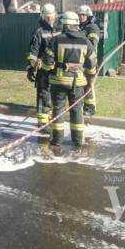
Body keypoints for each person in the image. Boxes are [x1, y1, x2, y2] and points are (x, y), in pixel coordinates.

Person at [44, 11, 97, 147]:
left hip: (59, 81)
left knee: (58, 109)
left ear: (65, 24)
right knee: (77, 110)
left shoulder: (56, 40)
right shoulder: (86, 41)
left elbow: (48, 63)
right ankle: (78, 141)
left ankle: (57, 140)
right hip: (78, 82)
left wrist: (48, 69)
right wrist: (90, 76)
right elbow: (92, 64)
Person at [26, 3, 58, 131]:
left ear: (55, 16)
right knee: (43, 95)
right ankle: (43, 124)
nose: (50, 19)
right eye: (47, 17)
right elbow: (33, 53)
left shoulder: (60, 29)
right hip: (43, 71)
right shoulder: (39, 32)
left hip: (57, 70)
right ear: (43, 17)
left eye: (51, 16)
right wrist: (31, 67)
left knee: (55, 96)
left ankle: (52, 120)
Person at [77, 5, 100, 115]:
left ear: (88, 15)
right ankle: (83, 106)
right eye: (80, 15)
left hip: (90, 61)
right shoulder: (80, 27)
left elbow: (92, 44)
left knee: (89, 84)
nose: (81, 17)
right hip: (81, 60)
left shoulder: (92, 27)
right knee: (82, 84)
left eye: (83, 15)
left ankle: (91, 108)